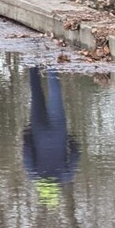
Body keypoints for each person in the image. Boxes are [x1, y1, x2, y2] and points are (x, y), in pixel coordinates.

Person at [22, 67, 80, 208]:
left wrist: (70, 139)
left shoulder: (65, 176)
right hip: (38, 132)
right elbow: (27, 152)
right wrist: (28, 133)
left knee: (55, 93)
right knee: (36, 93)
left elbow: (76, 154)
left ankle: (51, 61)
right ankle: (32, 61)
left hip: (58, 131)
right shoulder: (34, 174)